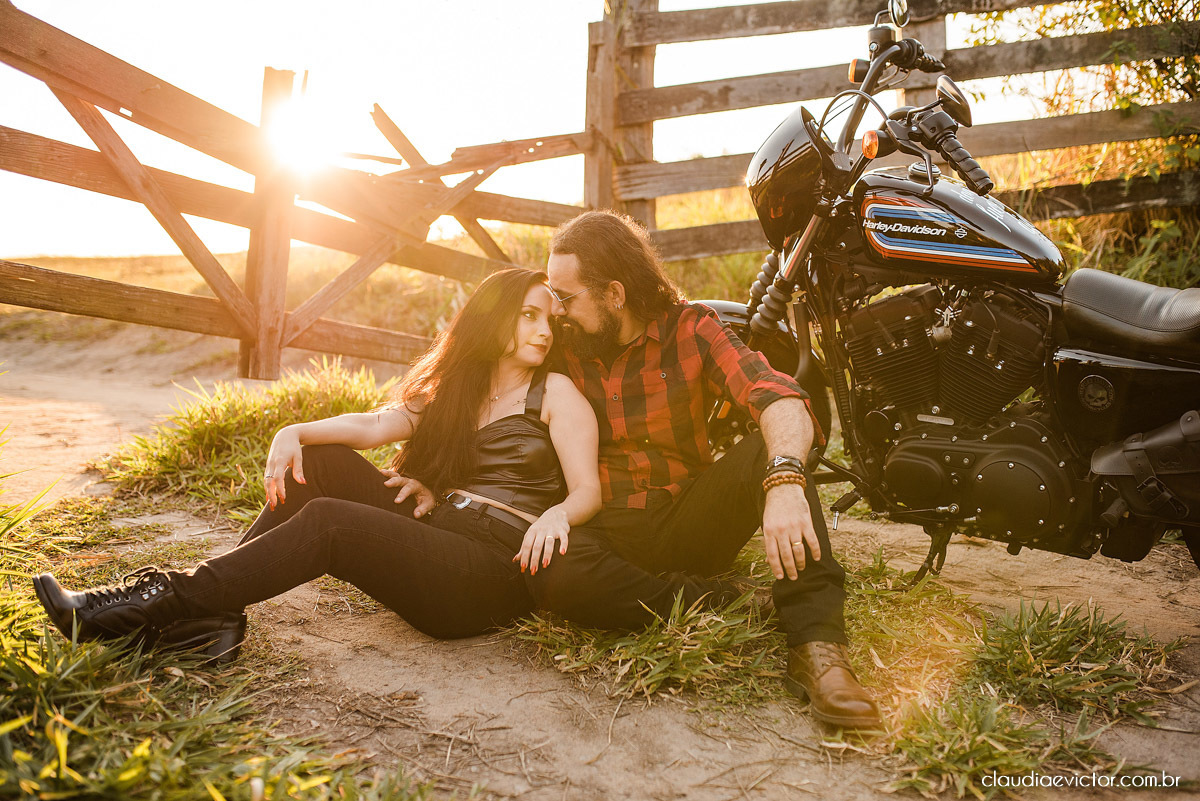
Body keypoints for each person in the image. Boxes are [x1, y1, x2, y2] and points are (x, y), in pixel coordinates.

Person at [32, 268, 602, 663]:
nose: (543, 330)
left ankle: (152, 604)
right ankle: (214, 616)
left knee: (331, 522)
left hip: (492, 575)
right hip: (444, 537)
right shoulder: (459, 392)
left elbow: (588, 490)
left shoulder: (555, 393)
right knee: (324, 462)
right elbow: (374, 426)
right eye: (528, 315)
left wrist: (558, 514)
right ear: (493, 318)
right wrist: (295, 432)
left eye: (549, 319)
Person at [533, 211, 879, 729]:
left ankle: (817, 649)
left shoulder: (691, 328)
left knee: (769, 451)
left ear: (614, 294)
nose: (557, 310)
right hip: (603, 527)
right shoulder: (562, 342)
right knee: (550, 571)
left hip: (687, 521)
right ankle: (720, 598)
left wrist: (785, 479)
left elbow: (778, 395)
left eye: (566, 297)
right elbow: (480, 380)